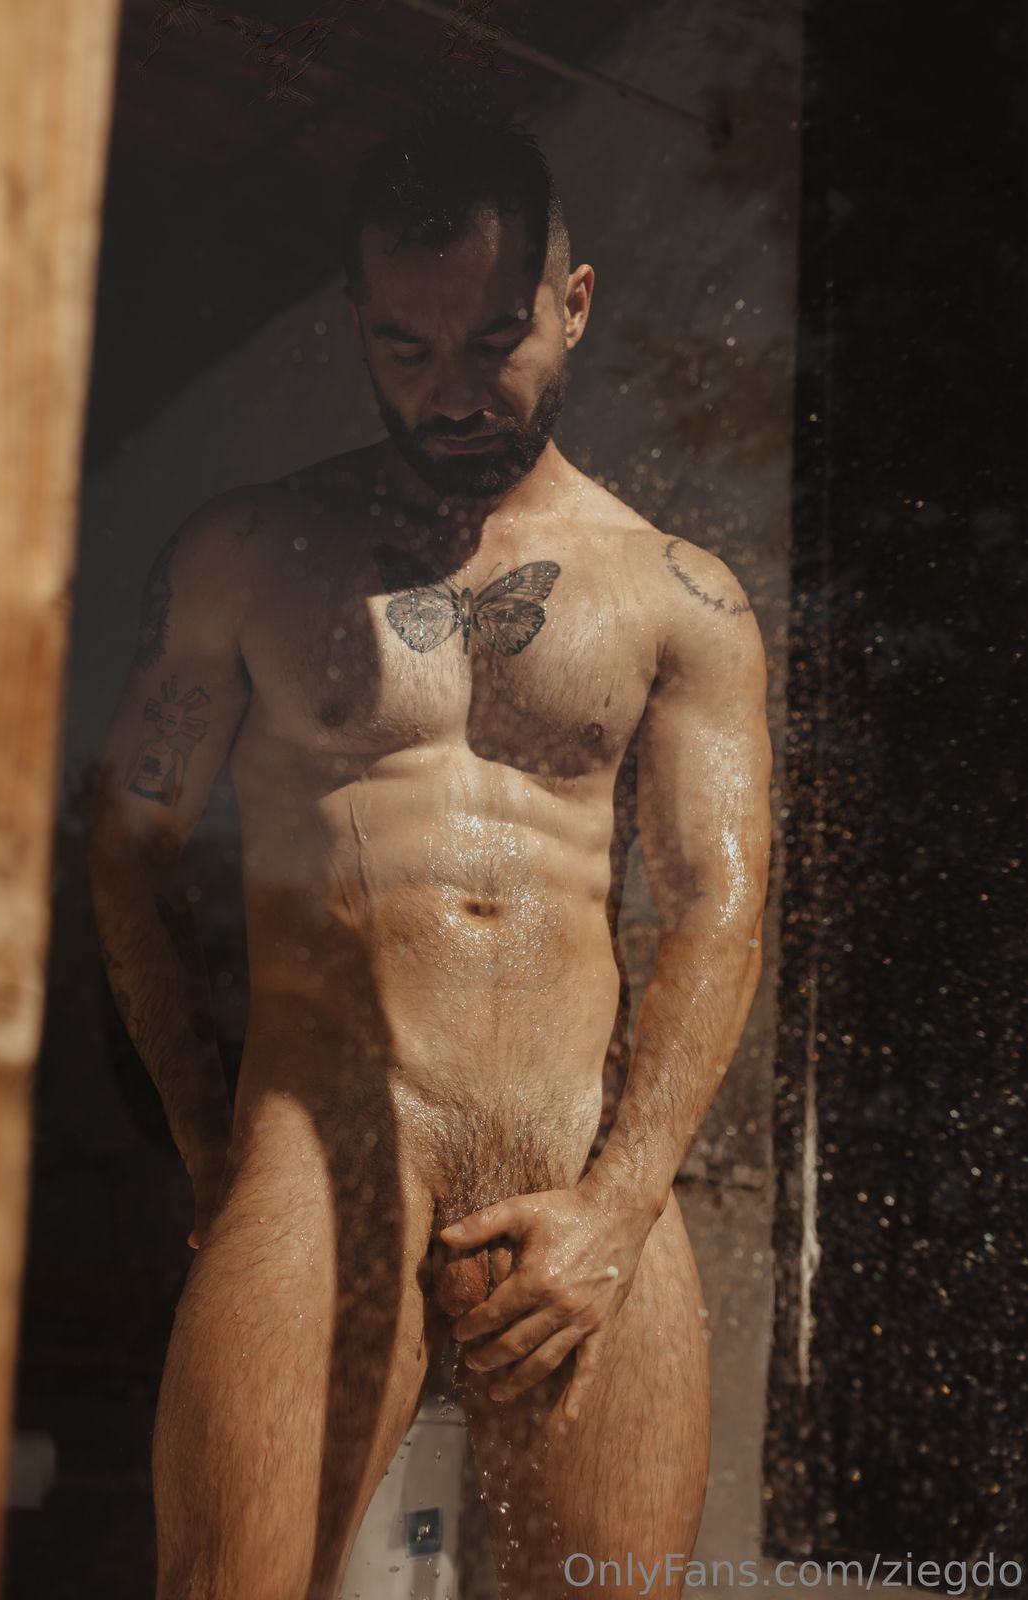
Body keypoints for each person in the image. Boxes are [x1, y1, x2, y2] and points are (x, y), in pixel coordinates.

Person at [86, 112, 772, 1600]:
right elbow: (129, 846)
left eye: (493, 340)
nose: (449, 391)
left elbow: (718, 908)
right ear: (357, 318)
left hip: (578, 1154)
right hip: (325, 1135)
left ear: (571, 305)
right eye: (403, 346)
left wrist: (620, 1201)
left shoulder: (682, 596)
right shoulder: (248, 554)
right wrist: (203, 1131)